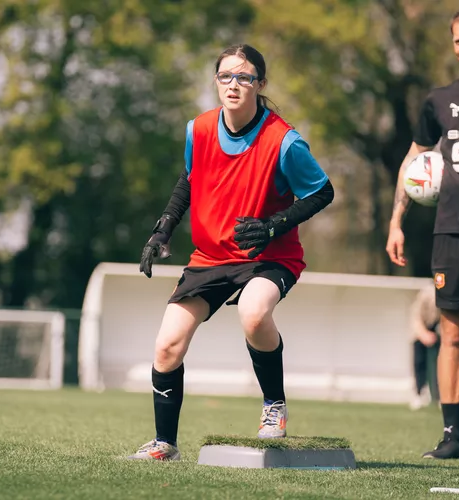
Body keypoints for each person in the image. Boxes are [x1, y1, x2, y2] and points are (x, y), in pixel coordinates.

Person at [128, 44, 334, 460]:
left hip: (269, 256)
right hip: (210, 257)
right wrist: (162, 230)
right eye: (226, 76)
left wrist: (274, 225)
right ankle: (165, 444)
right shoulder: (199, 129)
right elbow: (188, 180)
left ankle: (274, 405)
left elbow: (322, 192)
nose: (234, 84)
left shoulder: (283, 140)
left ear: (260, 83)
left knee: (254, 314)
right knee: (167, 345)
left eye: (244, 77)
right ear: (216, 81)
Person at [386, 7, 459, 459]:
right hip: (454, 234)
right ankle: (452, 438)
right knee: (454, 335)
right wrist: (396, 221)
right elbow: (415, 159)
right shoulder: (438, 101)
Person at [408, 282, 441, 411]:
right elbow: (416, 318)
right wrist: (424, 334)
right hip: (419, 332)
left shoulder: (449, 294)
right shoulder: (425, 294)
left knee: (442, 363)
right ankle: (419, 392)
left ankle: (442, 396)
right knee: (419, 362)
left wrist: (438, 333)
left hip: (438, 331)